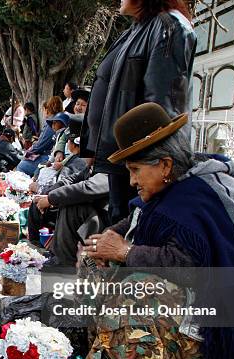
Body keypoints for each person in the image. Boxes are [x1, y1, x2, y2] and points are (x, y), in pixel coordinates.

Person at [81, 102, 234, 359]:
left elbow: (190, 266)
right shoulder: (173, 192)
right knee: (100, 268)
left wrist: (125, 250)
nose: (132, 181)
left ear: (165, 165)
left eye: (135, 170)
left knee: (132, 290)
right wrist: (109, 239)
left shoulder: (196, 198)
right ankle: (134, 356)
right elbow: (138, 221)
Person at [82, 0, 196, 225]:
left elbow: (163, 107)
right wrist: (92, 146)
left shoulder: (169, 27)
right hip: (122, 159)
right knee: (118, 223)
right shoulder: (134, 30)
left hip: (142, 162)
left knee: (136, 230)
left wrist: (149, 165)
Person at [16, 96, 63, 176]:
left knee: (21, 166)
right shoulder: (60, 119)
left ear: (47, 110)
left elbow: (41, 145)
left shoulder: (51, 123)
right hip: (52, 155)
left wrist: (28, 152)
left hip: (49, 156)